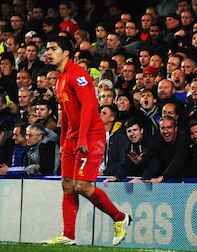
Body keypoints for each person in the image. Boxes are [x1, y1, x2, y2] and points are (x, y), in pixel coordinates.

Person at [41, 37, 130, 246]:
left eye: (53, 48)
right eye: (47, 49)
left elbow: (89, 105)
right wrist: (64, 140)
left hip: (90, 135)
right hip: (72, 138)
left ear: (66, 53)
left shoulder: (78, 75)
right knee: (67, 184)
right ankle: (68, 235)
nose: (48, 52)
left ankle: (120, 218)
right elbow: (64, 113)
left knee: (81, 185)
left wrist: (81, 136)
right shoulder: (60, 79)